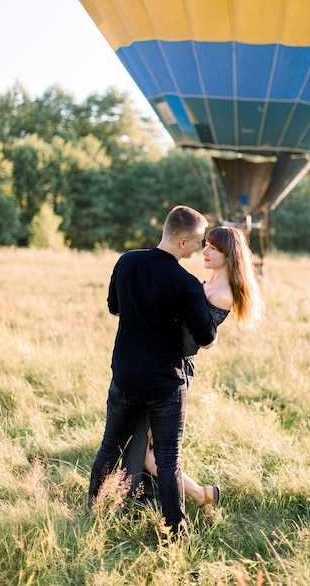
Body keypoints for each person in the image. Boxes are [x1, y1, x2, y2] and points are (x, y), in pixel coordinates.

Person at [88, 205, 217, 538]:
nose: (202, 248)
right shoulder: (186, 284)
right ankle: (176, 531)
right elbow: (206, 338)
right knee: (168, 458)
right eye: (200, 241)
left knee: (109, 447)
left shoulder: (127, 261)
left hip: (126, 374)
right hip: (164, 383)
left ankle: (93, 511)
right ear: (184, 242)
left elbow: (114, 306)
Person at [122, 225, 264, 512]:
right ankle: (150, 497)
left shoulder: (222, 293)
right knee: (141, 442)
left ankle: (202, 496)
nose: (206, 251)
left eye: (214, 249)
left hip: (175, 368)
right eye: (207, 245)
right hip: (163, 363)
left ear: (230, 256)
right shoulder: (209, 283)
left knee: (153, 452)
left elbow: (205, 339)